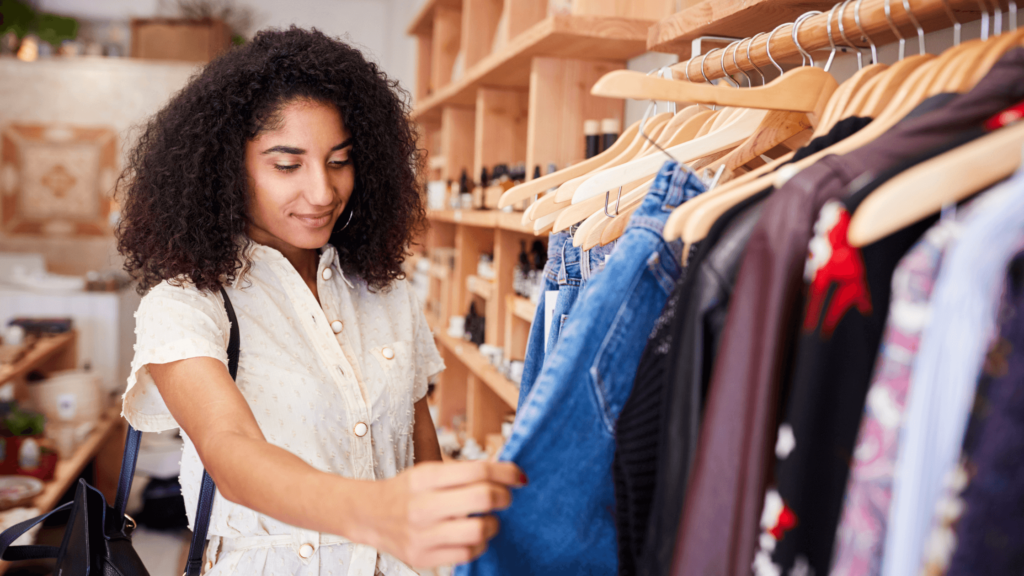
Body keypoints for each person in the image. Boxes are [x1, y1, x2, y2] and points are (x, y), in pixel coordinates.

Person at [115, 27, 524, 575]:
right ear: (226, 170)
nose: (323, 192)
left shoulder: (384, 293)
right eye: (287, 165)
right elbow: (231, 451)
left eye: (339, 161)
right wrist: (376, 512)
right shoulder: (187, 305)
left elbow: (419, 445)